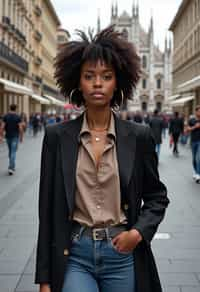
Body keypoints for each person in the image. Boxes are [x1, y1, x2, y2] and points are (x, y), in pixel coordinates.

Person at [35, 26, 169, 292]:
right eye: (89, 76)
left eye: (106, 76)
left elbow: (157, 197)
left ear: (117, 82)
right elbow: (47, 210)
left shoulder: (138, 136)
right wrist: (45, 278)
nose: (98, 83)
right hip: (75, 254)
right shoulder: (56, 137)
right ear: (78, 82)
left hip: (122, 253)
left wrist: (137, 233)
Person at [0, 104, 23, 175]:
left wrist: (1, 135)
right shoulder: (18, 117)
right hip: (15, 137)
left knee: (10, 151)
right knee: (13, 152)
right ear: (15, 109)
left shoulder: (5, 116)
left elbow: (2, 127)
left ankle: (12, 165)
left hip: (8, 137)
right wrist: (21, 137)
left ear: (10, 108)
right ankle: (11, 167)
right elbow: (20, 128)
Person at [187, 105, 200, 183]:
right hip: (193, 141)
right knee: (194, 159)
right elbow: (186, 130)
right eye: (199, 111)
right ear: (196, 111)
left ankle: (198, 174)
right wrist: (195, 127)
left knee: (198, 157)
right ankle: (196, 172)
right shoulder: (191, 120)